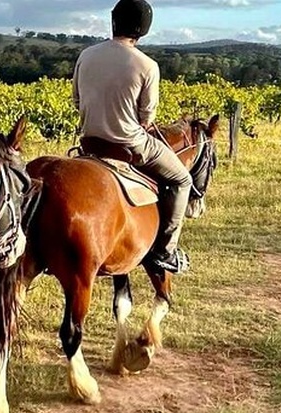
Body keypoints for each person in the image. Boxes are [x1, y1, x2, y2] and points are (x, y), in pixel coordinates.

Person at [72, 0, 192, 273]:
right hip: (131, 144)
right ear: (144, 29)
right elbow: (146, 117)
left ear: (113, 21)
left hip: (89, 142)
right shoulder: (147, 65)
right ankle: (166, 251)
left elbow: (77, 101)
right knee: (182, 180)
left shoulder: (86, 55)